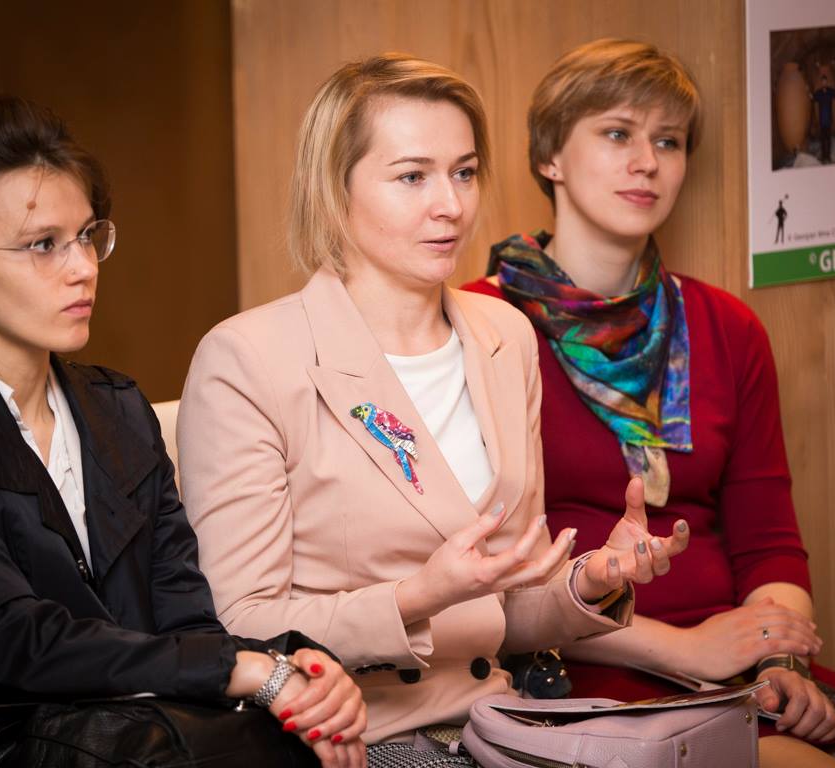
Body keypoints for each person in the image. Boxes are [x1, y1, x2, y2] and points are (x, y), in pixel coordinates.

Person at [178, 53, 689, 765]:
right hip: (357, 737)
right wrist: (417, 595)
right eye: (412, 176)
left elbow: (503, 611)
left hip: (498, 721)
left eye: (464, 172)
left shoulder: (503, 335)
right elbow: (240, 625)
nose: (450, 204)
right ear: (333, 190)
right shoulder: (249, 357)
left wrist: (590, 582)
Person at [463, 38, 835, 768]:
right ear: (550, 157)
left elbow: (768, 543)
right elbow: (489, 577)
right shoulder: (480, 326)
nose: (648, 161)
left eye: (668, 141)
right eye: (617, 134)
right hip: (575, 662)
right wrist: (684, 648)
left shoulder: (728, 327)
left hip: (735, 655)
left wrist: (778, 657)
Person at [0, 97, 366, 768]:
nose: (84, 267)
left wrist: (297, 668)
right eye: (43, 245)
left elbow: (187, 620)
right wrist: (245, 671)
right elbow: (13, 639)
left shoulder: (116, 407)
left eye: (87, 235)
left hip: (154, 735)